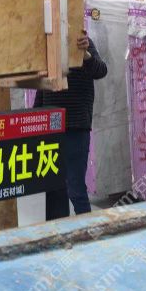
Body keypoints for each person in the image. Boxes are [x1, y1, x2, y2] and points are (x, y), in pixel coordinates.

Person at [35, 30, 107, 218]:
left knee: (76, 188)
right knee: (54, 187)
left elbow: (101, 71)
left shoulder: (83, 44)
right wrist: (36, 118)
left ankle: (88, 230)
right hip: (52, 125)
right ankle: (58, 231)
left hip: (76, 125)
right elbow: (42, 87)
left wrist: (86, 55)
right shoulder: (48, 46)